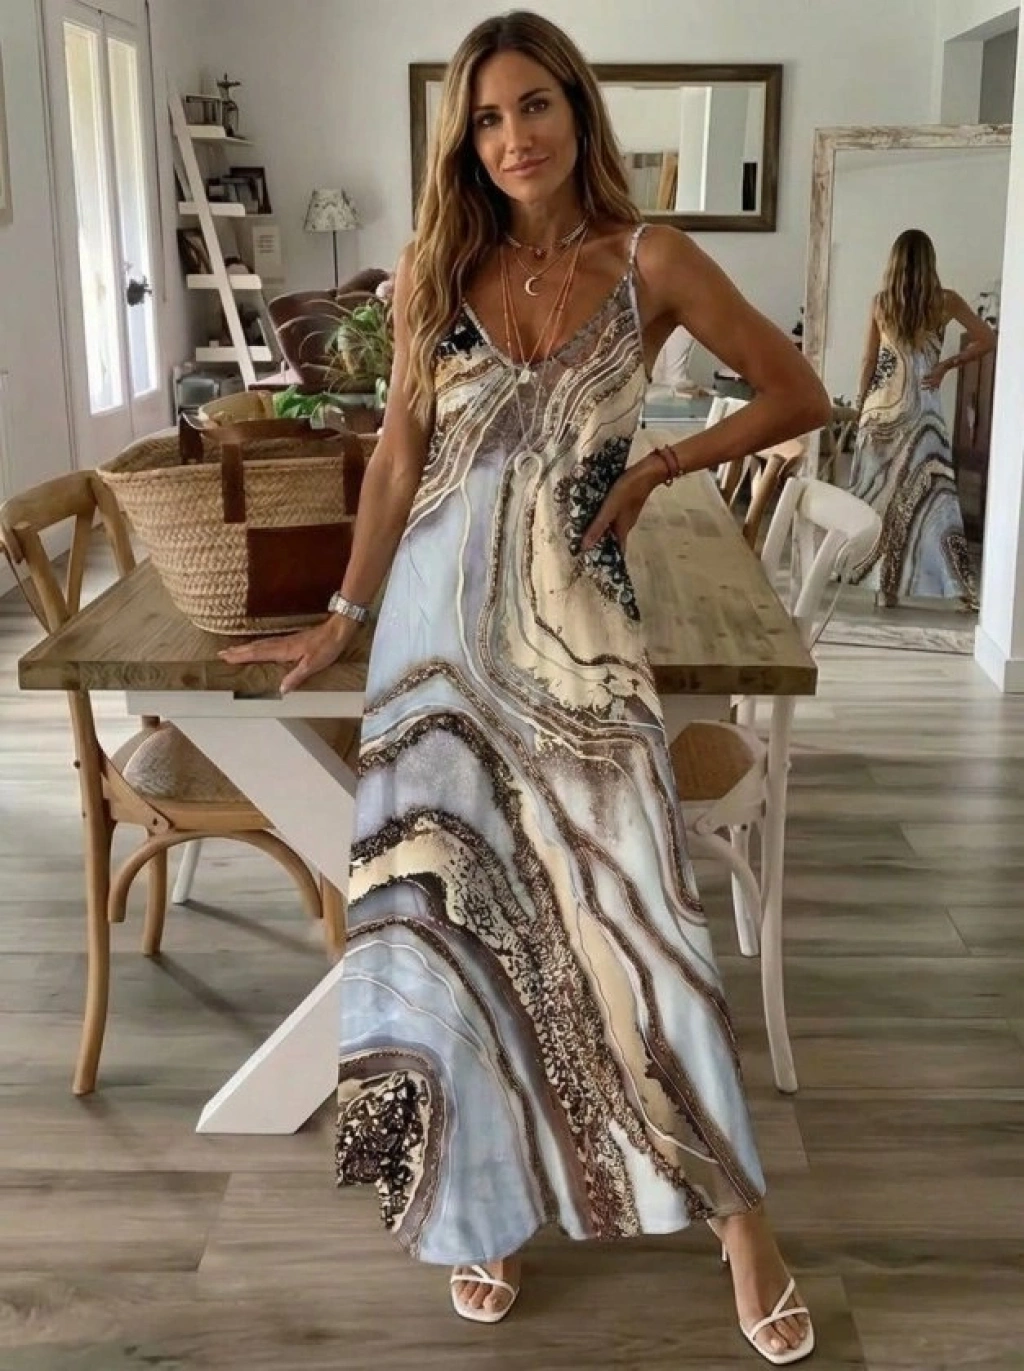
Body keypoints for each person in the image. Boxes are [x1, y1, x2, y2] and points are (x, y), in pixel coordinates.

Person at [221, 11, 829, 1365]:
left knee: (643, 929)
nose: (514, 138)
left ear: (576, 108)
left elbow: (798, 392)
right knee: (454, 928)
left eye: (535, 105)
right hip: (431, 645)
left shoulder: (651, 259)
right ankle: (481, 1204)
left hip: (578, 639)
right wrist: (341, 619)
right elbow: (397, 461)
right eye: (488, 119)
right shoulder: (436, 269)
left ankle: (742, 1228)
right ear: (464, 139)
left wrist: (660, 466)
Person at [847, 228, 996, 610]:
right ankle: (962, 590)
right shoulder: (945, 302)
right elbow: (987, 338)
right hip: (924, 413)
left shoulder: (881, 303)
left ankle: (886, 588)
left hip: (880, 410)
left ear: (894, 261)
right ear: (930, 260)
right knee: (937, 499)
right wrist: (947, 365)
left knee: (883, 500)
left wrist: (860, 409)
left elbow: (868, 362)